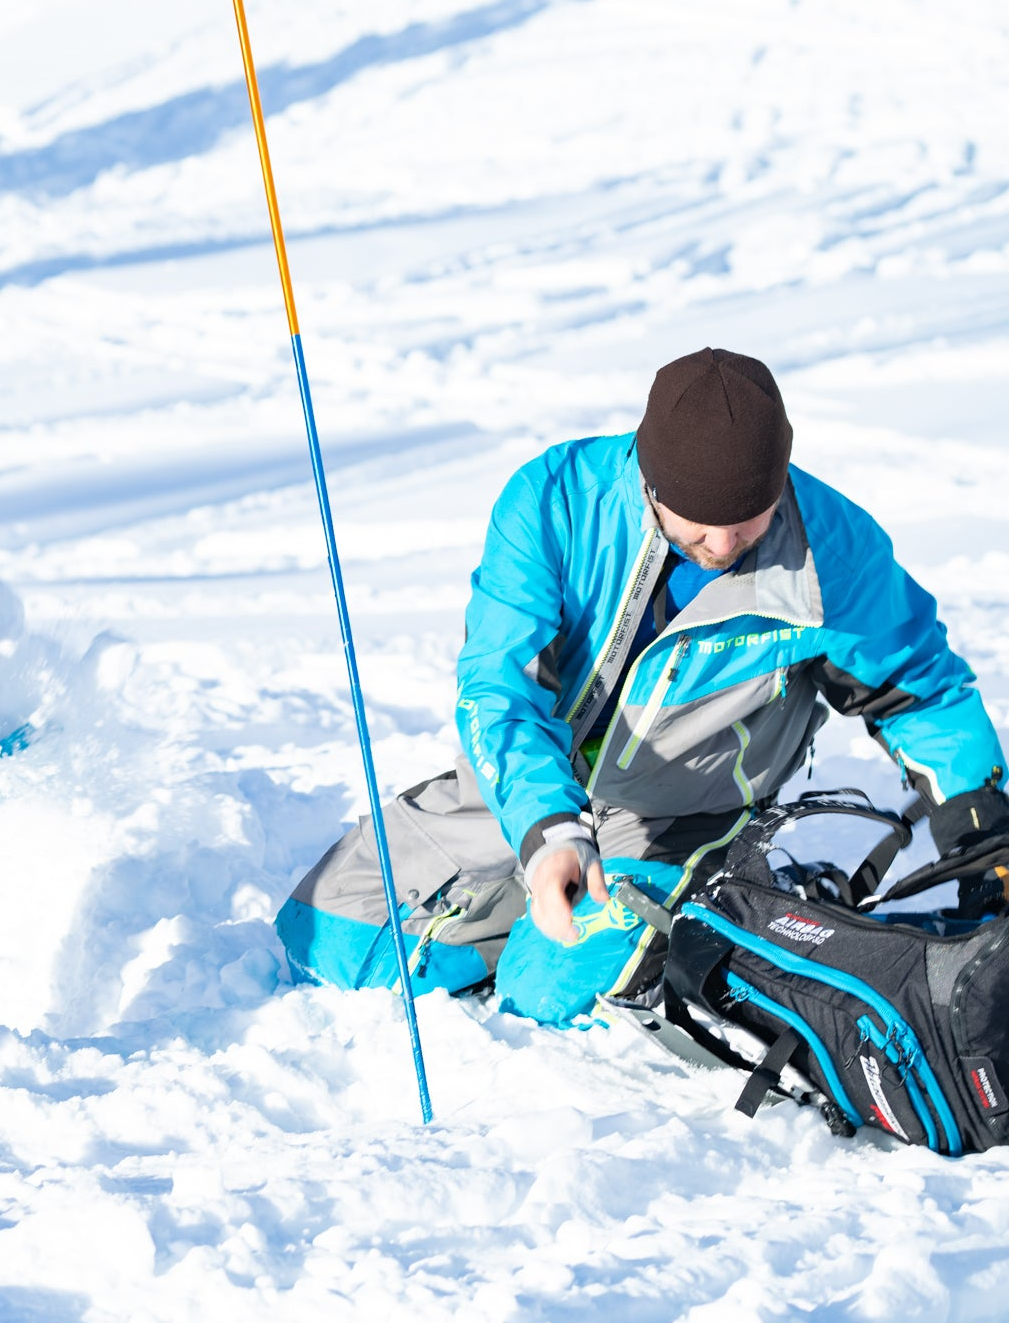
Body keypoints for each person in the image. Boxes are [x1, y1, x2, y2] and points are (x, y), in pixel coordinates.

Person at [276, 347, 1009, 1023]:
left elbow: (921, 687)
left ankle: (699, 905)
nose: (724, 546)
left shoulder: (830, 549)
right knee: (332, 936)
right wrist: (546, 833)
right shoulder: (553, 503)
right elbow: (500, 690)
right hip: (536, 785)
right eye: (700, 523)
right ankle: (546, 899)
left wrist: (986, 836)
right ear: (650, 480)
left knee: (546, 986)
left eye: (748, 520)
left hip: (687, 814)